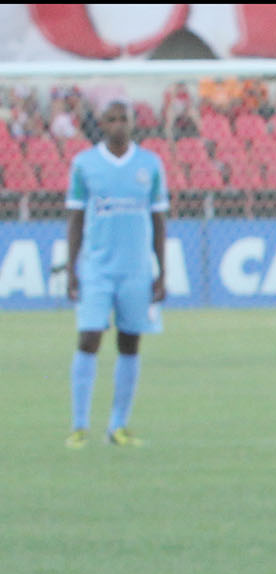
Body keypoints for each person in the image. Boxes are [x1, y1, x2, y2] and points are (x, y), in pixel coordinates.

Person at [64, 99, 165, 449]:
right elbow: (75, 217)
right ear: (102, 124)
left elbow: (158, 220)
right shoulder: (84, 164)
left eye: (125, 118)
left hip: (136, 270)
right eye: (112, 118)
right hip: (96, 270)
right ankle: (79, 425)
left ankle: (118, 426)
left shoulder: (150, 164)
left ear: (133, 123)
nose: (120, 124)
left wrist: (161, 271)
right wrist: (72, 268)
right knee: (89, 337)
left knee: (129, 342)